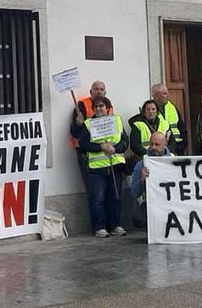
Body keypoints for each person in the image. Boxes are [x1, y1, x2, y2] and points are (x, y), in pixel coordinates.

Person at [79, 96, 128, 237]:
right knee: (97, 199)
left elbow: (125, 140)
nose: (99, 109)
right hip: (97, 167)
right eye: (96, 107)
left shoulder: (117, 120)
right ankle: (99, 227)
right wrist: (100, 146)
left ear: (107, 108)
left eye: (101, 106)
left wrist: (116, 148)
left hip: (115, 165)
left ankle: (116, 225)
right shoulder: (88, 124)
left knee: (116, 197)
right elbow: (84, 144)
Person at [70, 80, 106, 188]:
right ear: (91, 92)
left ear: (105, 92)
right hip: (86, 152)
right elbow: (75, 133)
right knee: (93, 189)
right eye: (96, 89)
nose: (99, 92)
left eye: (101, 89)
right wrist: (77, 124)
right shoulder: (81, 105)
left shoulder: (108, 105)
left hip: (106, 153)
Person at [130, 132, 170, 229]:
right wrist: (142, 180)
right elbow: (134, 193)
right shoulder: (141, 164)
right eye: (151, 144)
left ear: (165, 145)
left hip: (170, 204)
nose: (153, 147)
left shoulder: (174, 161)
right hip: (152, 204)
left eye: (157, 144)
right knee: (138, 218)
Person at [151, 83, 187, 155]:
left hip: (177, 148)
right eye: (164, 94)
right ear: (156, 96)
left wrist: (183, 144)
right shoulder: (150, 109)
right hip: (159, 149)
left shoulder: (172, 107)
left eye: (167, 93)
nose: (168, 95)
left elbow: (181, 127)